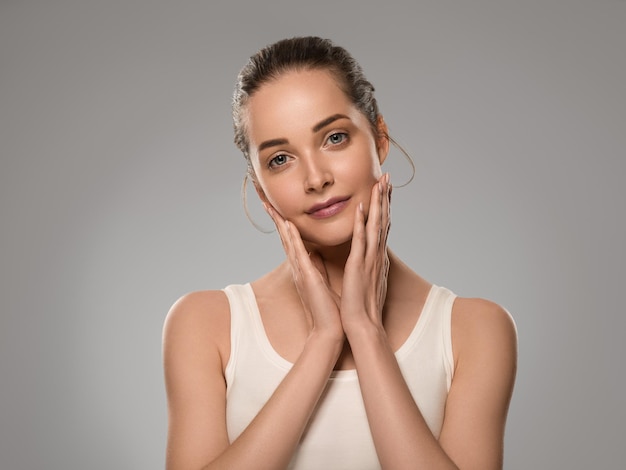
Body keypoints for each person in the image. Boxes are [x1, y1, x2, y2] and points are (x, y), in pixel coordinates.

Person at [162, 36, 517, 470]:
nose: (315, 178)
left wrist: (366, 332)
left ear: (379, 138)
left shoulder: (475, 331)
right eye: (280, 159)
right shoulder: (206, 324)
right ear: (260, 189)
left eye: (334, 137)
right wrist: (324, 340)